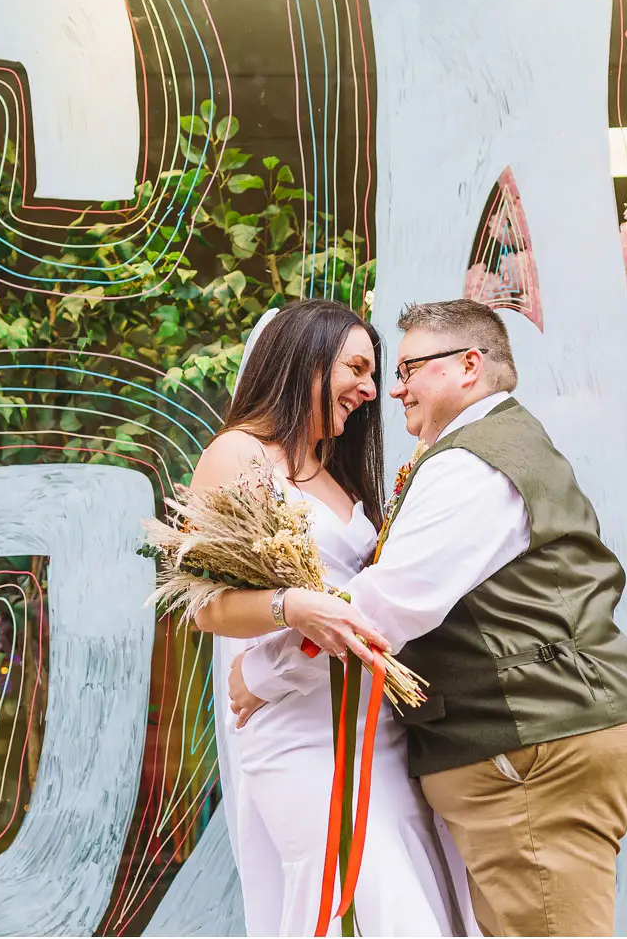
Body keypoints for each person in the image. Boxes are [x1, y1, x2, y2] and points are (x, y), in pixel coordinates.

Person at [234, 299, 627, 936]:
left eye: (407, 368)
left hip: (529, 740)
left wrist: (263, 672)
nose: (391, 389)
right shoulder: (488, 446)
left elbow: (390, 604)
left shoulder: (472, 463)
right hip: (523, 734)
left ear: (468, 366)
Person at [189, 299, 474, 937]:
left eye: (374, 375)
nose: (371, 391)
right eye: (357, 368)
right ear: (305, 358)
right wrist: (288, 605)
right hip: (297, 728)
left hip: (377, 725)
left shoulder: (339, 472)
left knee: (411, 892)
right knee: (361, 893)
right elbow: (204, 607)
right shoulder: (238, 454)